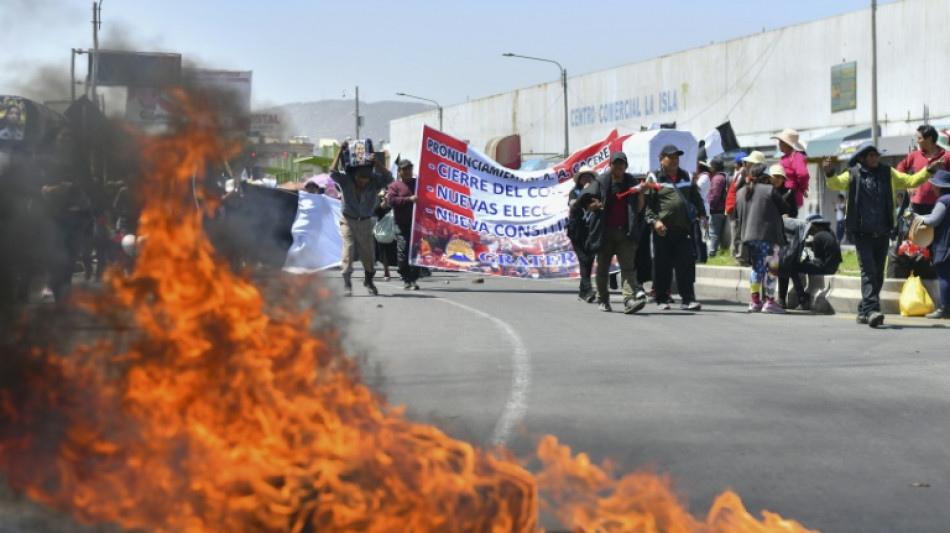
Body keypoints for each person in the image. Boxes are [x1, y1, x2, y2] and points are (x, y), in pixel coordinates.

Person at [823, 142, 943, 328]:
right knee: (869, 272)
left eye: (876, 155)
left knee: (878, 275)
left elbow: (911, 181)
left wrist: (929, 169)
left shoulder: (888, 173)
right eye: (870, 155)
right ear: (862, 158)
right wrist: (830, 171)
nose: (874, 158)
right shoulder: (853, 174)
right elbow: (835, 183)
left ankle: (863, 309)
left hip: (883, 232)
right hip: (862, 234)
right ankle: (872, 310)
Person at [574, 151, 647, 314]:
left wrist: (641, 193)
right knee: (603, 268)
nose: (619, 166)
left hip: (625, 234)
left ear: (626, 166)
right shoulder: (601, 182)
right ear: (610, 165)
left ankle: (629, 300)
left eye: (622, 163)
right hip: (604, 232)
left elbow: (638, 209)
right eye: (616, 163)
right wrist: (592, 206)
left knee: (628, 267)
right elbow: (586, 201)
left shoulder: (631, 182)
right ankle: (603, 299)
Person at [642, 144, 707, 310]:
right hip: (662, 231)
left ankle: (688, 299)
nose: (674, 160)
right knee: (662, 266)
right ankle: (661, 299)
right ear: (661, 159)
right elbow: (647, 206)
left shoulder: (686, 176)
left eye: (676, 157)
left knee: (685, 265)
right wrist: (655, 221)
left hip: (683, 230)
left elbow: (695, 197)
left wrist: (703, 215)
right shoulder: (654, 178)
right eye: (670, 157)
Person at [330, 144, 392, 296]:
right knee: (348, 250)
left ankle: (369, 281)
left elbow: (389, 177)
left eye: (366, 179)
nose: (363, 182)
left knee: (368, 255)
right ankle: (347, 284)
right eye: (360, 179)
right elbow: (332, 172)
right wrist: (339, 152)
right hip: (348, 220)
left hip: (365, 222)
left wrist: (377, 162)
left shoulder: (373, 181)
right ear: (354, 175)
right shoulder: (345, 180)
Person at [737, 163, 791, 313]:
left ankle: (755, 302)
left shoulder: (740, 192)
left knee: (756, 268)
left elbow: (737, 214)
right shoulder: (769, 190)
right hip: (768, 236)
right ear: (765, 177)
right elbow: (786, 208)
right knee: (771, 269)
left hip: (748, 237)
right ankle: (770, 301)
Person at [778, 214, 842, 311]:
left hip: (826, 267)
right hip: (833, 266)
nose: (811, 231)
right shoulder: (830, 234)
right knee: (800, 266)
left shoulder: (818, 237)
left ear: (818, 227)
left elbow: (817, 260)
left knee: (793, 267)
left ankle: (802, 297)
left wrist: (805, 262)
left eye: (813, 228)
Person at [919, 170, 950, 319]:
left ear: (940, 186)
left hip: (945, 245)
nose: (932, 188)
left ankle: (944, 308)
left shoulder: (943, 200)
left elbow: (933, 220)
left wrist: (917, 218)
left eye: (934, 185)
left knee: (944, 276)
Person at [386, 159, 421, 290]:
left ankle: (413, 278)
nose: (408, 172)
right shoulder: (394, 186)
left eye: (410, 169)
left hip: (417, 225)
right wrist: (409, 200)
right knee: (403, 251)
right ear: (399, 172)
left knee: (417, 252)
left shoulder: (417, 183)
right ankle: (405, 276)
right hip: (401, 224)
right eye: (405, 169)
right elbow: (391, 200)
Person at [897, 125, 948, 216]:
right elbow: (900, 168)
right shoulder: (914, 155)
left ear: (929, 139)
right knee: (919, 230)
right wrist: (908, 185)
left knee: (939, 230)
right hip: (917, 205)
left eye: (919, 138)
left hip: (940, 204)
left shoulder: (946, 156)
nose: (917, 141)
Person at [566, 165, 597, 302]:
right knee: (583, 259)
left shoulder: (596, 193)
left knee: (589, 259)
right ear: (579, 180)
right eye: (584, 177)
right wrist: (584, 193)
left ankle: (582, 291)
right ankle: (589, 290)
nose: (587, 179)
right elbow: (573, 205)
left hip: (591, 231)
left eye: (589, 176)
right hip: (576, 231)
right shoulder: (575, 192)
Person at [772, 128, 809, 219]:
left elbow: (803, 174)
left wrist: (802, 188)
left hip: (790, 199)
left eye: (780, 141)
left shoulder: (797, 156)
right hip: (784, 197)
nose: (779, 143)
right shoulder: (788, 157)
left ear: (786, 143)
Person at [706, 157, 729, 256]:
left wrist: (710, 207)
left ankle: (712, 253)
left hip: (716, 210)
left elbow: (715, 195)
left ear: (714, 167)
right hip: (721, 209)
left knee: (713, 233)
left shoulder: (717, 178)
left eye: (711, 166)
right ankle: (716, 251)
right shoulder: (724, 176)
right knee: (717, 233)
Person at [373, 189, 397, 282]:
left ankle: (404, 272)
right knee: (381, 253)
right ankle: (385, 272)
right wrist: (385, 200)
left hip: (396, 228)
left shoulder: (397, 198)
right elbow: (377, 211)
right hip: (383, 231)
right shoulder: (380, 198)